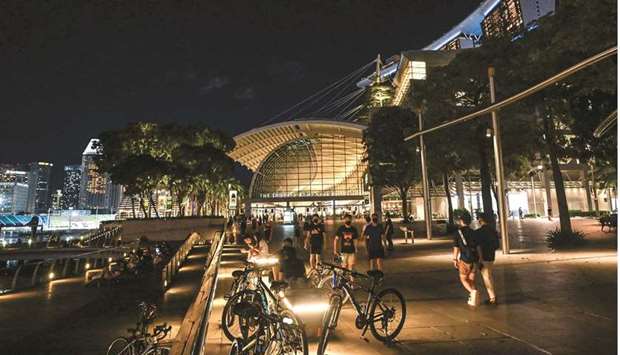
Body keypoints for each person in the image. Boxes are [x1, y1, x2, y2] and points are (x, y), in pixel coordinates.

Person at [452, 210, 479, 306]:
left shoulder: (458, 233)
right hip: (475, 259)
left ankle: (473, 292)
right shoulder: (474, 232)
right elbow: (478, 246)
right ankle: (473, 299)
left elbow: (456, 248)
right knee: (471, 279)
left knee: (463, 279)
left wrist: (454, 259)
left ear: (461, 221)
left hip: (464, 259)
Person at [474, 213, 499, 305]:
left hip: (483, 256)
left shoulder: (479, 232)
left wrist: (479, 258)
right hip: (491, 255)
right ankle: (492, 296)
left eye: (479, 219)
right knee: (489, 275)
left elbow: (478, 246)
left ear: (481, 220)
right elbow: (497, 245)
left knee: (486, 277)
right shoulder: (493, 231)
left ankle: (492, 297)